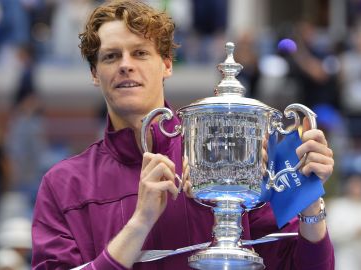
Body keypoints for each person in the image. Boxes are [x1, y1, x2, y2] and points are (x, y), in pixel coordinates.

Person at [31, 1, 335, 269]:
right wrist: (140, 222)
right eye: (111, 57)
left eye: (139, 53)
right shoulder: (63, 186)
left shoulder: (231, 156)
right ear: (95, 74)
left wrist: (309, 201)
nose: (125, 65)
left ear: (166, 64)